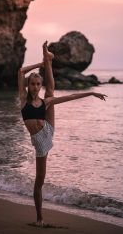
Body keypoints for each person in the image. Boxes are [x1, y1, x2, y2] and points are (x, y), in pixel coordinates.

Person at [18, 41, 107, 227]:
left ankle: (48, 58)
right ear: (28, 86)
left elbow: (70, 97)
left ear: (39, 85)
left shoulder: (45, 102)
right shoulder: (23, 101)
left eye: (37, 84)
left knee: (51, 94)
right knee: (39, 182)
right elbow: (21, 72)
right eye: (32, 84)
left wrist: (91, 93)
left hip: (47, 131)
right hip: (39, 142)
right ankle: (39, 218)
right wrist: (39, 65)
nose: (35, 87)